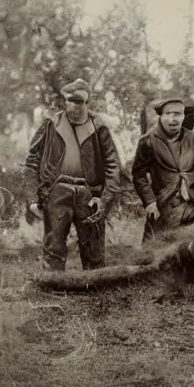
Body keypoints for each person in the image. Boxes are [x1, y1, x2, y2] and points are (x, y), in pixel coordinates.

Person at [24, 78, 121, 271]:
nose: (78, 106)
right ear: (65, 101)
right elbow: (32, 161)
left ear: (87, 102)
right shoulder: (51, 125)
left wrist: (105, 199)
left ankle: (95, 291)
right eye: (73, 101)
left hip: (89, 194)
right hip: (57, 191)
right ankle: (53, 288)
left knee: (94, 251)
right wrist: (33, 198)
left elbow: (113, 166)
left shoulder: (98, 127)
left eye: (82, 102)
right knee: (54, 247)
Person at [131, 97, 194, 243]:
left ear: (183, 116)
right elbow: (138, 175)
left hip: (193, 204)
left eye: (177, 114)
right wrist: (149, 202)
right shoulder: (148, 141)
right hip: (163, 205)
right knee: (155, 251)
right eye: (168, 114)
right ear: (161, 116)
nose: (172, 119)